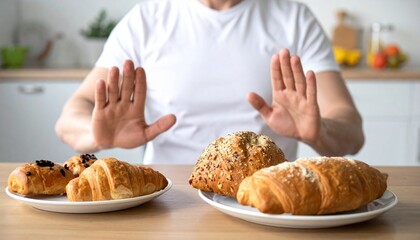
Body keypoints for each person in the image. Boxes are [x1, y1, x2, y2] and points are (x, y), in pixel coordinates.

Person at [55, 0, 364, 164]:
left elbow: (351, 130)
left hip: (266, 203)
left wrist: (320, 132)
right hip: (168, 201)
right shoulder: (145, 20)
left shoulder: (294, 19)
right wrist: (96, 135)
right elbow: (71, 116)